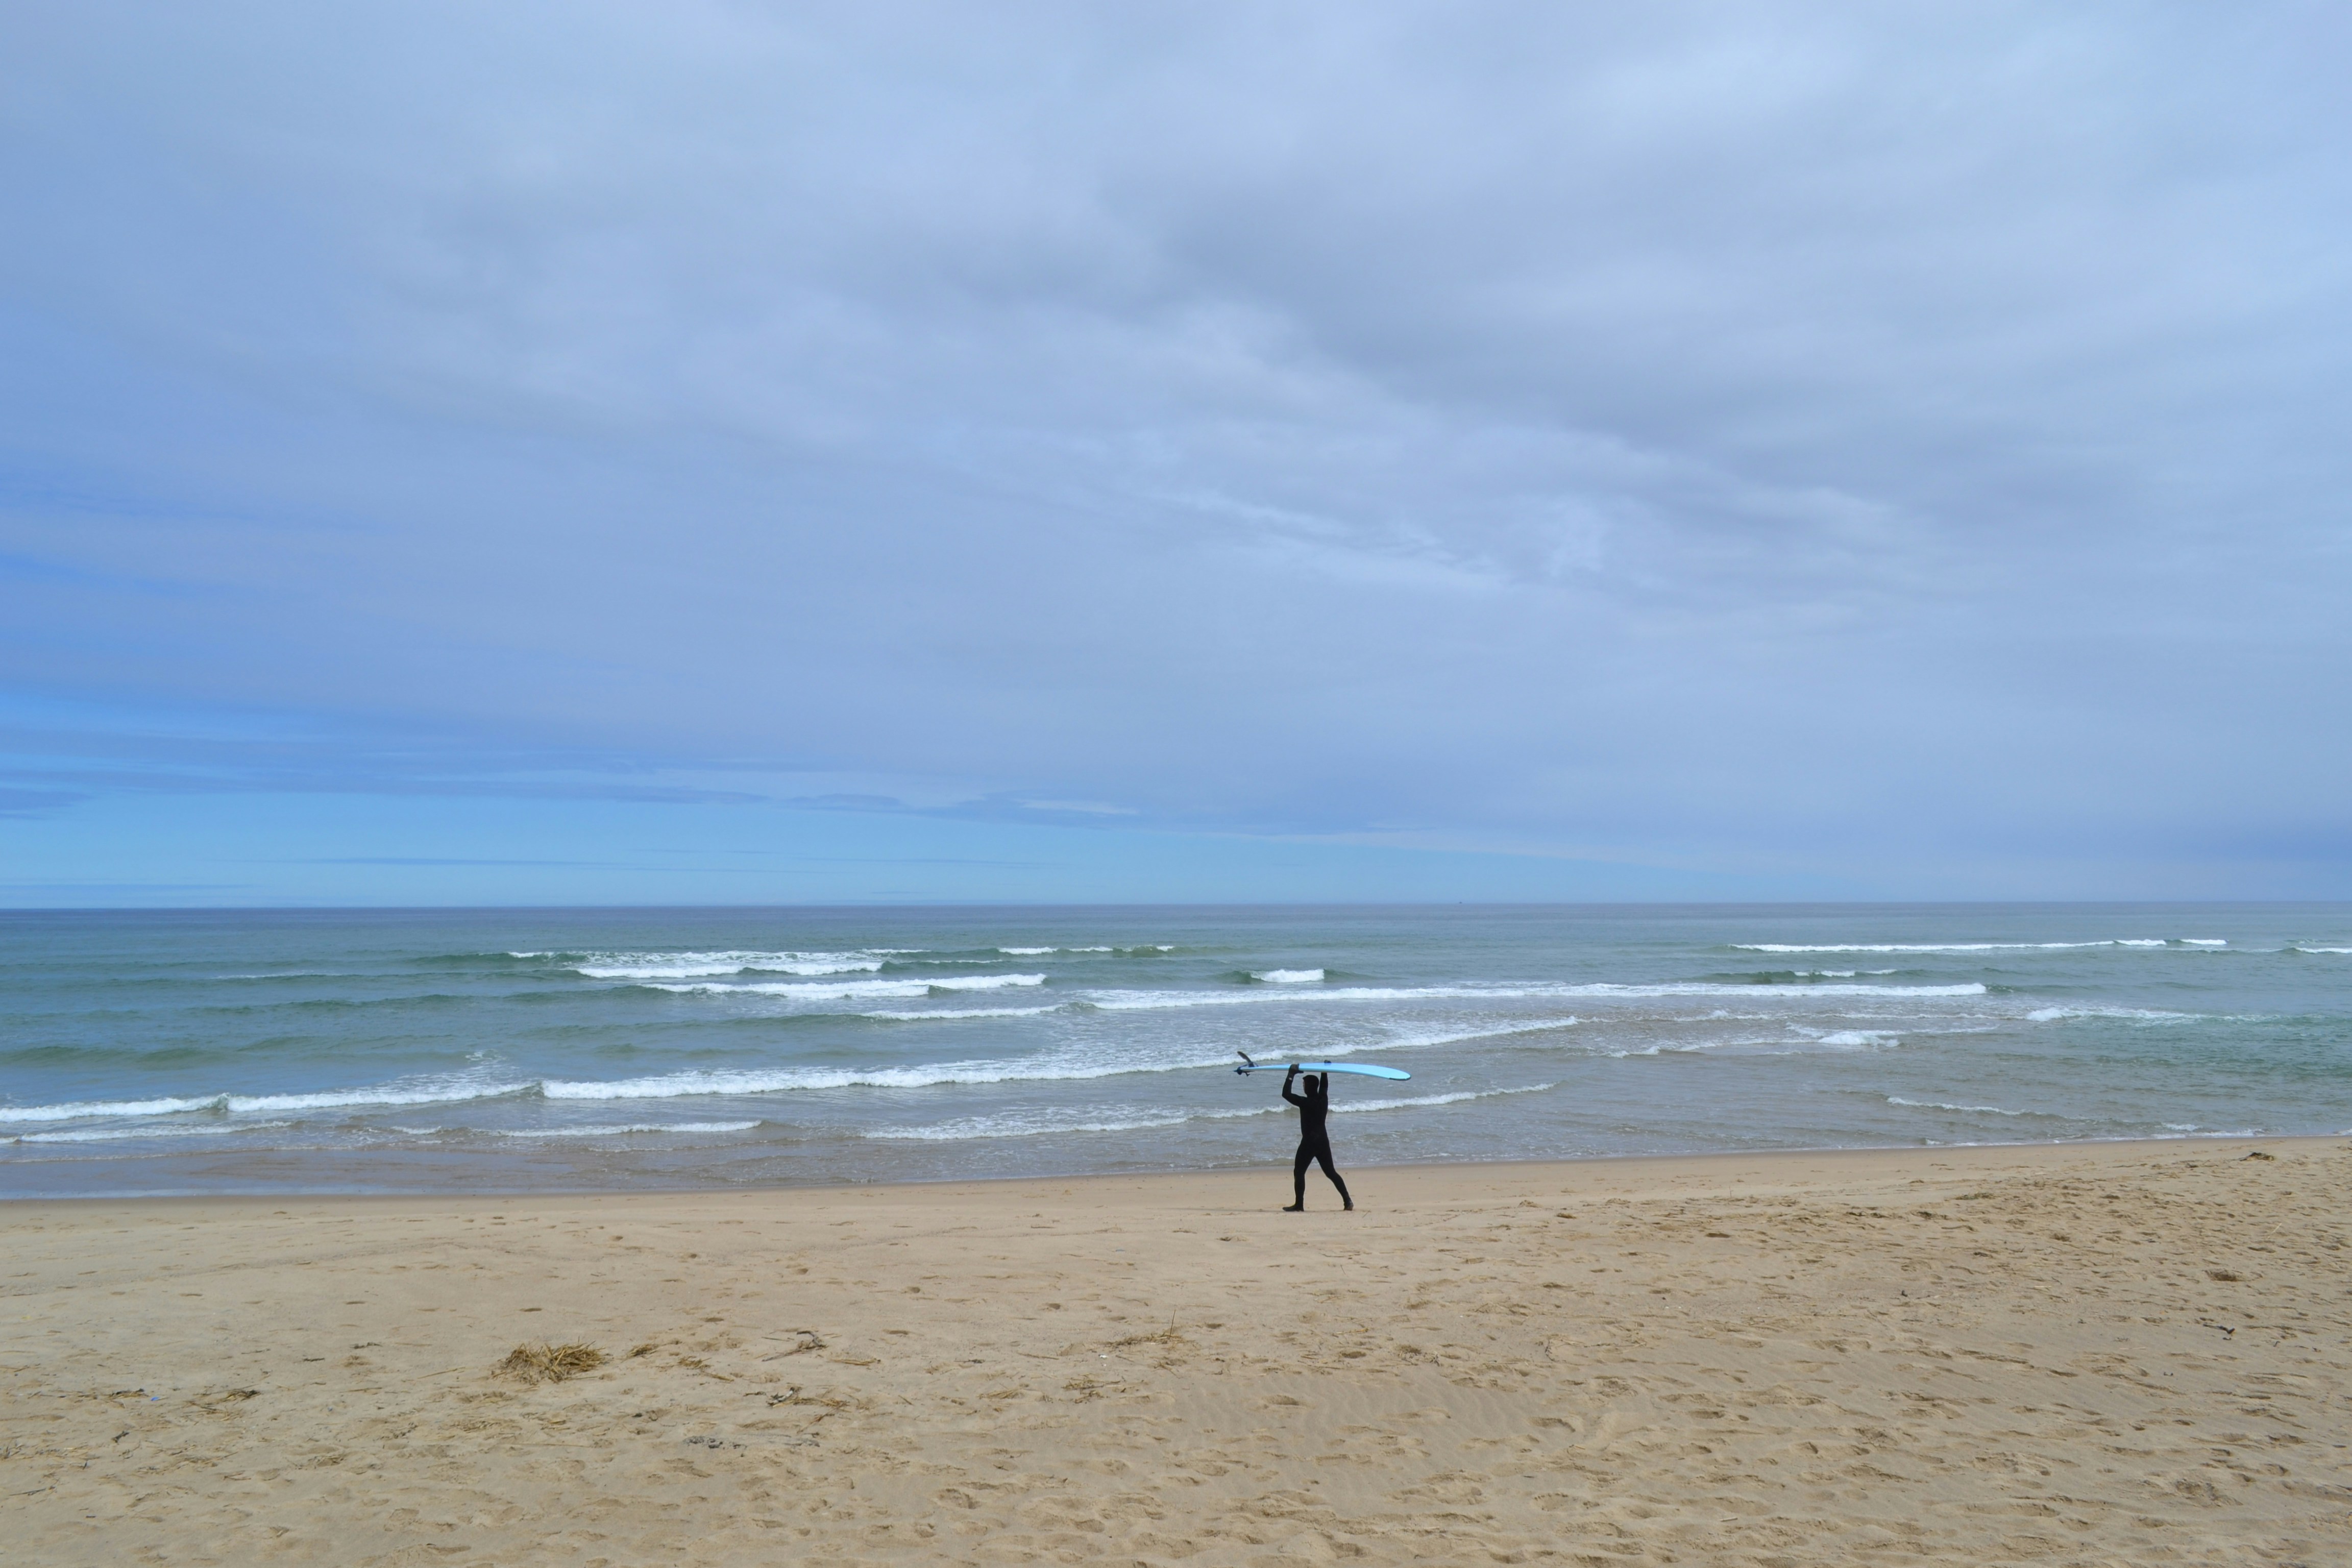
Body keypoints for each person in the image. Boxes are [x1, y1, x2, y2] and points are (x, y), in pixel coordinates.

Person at [1281, 1064, 1353, 1212]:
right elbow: (1324, 1087)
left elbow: (1286, 1094)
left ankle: (1299, 1205)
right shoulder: (1323, 1099)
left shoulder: (1306, 1103)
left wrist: (1291, 1075)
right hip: (1323, 1141)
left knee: (1299, 1172)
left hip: (1309, 1142)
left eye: (1304, 1084)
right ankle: (1348, 1201)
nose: (1303, 1087)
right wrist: (1324, 1071)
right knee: (1331, 1172)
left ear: (1309, 1087)